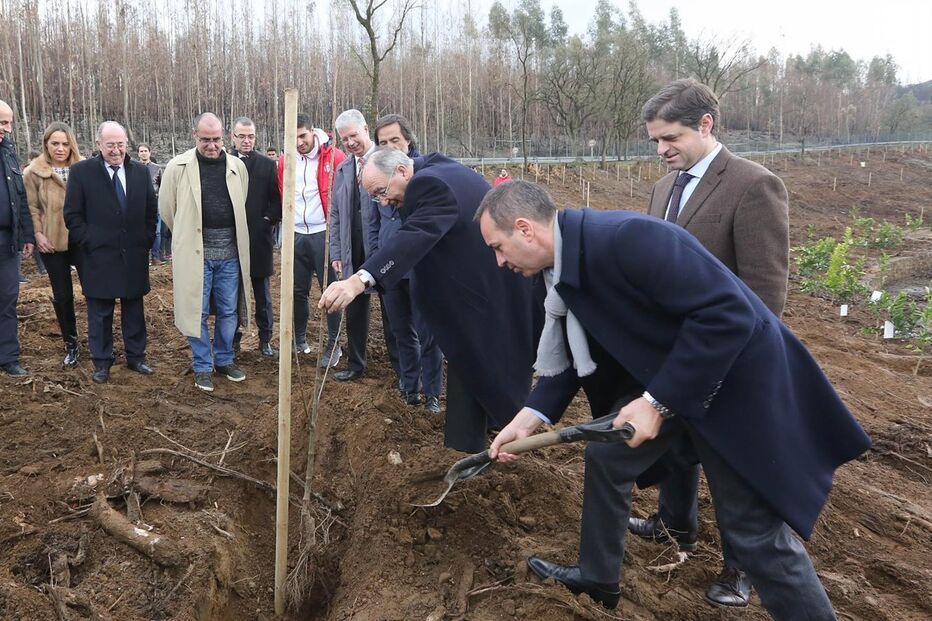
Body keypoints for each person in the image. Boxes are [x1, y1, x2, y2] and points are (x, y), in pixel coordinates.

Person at [477, 180, 871, 618]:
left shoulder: (629, 239)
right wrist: (528, 418)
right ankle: (598, 577)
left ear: (525, 229)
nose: (499, 262)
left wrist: (656, 402)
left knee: (754, 535)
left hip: (733, 387)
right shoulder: (562, 271)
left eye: (498, 247)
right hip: (678, 378)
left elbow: (728, 315)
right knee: (607, 456)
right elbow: (574, 354)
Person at [625, 78, 791, 608]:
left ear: (705, 124)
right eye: (654, 140)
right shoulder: (662, 189)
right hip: (672, 351)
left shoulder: (753, 184)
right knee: (678, 445)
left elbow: (765, 290)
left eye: (670, 138)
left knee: (733, 463)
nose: (661, 149)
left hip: (729, 355)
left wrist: (736, 363)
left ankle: (742, 567)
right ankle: (674, 524)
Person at [319, 148, 538, 453]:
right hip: (486, 289)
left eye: (382, 192)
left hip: (486, 292)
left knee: (477, 361)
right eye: (375, 197)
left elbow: (414, 235)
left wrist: (359, 280)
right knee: (478, 365)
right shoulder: (434, 167)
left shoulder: (428, 184)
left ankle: (474, 444)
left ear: (401, 171)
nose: (384, 202)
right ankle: (484, 431)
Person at [159, 113, 251, 392]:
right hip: (195, 254)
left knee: (228, 310)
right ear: (194, 135)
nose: (212, 146)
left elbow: (241, 201)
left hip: (230, 254)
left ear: (224, 137)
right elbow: (168, 210)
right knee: (195, 311)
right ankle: (202, 364)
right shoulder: (177, 167)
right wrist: (188, 237)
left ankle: (224, 359)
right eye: (205, 140)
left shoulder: (237, 167)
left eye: (216, 139)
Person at [63, 121, 157, 384]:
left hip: (133, 255)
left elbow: (151, 211)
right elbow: (72, 215)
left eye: (121, 144)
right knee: (100, 312)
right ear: (99, 144)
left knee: (134, 309)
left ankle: (136, 357)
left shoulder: (140, 172)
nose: (116, 150)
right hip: (98, 256)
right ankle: (102, 362)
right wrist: (89, 241)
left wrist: (146, 240)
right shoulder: (81, 172)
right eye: (110, 145)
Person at [372, 114, 442, 411]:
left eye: (395, 140)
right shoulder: (377, 175)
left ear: (408, 141)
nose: (389, 146)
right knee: (401, 331)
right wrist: (375, 260)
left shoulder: (422, 176)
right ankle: (410, 386)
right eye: (383, 142)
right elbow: (374, 223)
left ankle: (432, 393)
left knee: (428, 333)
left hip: (420, 266)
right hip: (390, 268)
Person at [277, 115, 345, 366]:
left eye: (303, 136)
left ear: (312, 132)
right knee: (297, 290)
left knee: (331, 290)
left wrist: (336, 232)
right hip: (296, 233)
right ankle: (299, 339)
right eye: (293, 138)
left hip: (323, 232)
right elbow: (283, 191)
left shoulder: (334, 157)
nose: (299, 142)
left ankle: (333, 345)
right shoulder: (285, 161)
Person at [24, 122, 84, 368]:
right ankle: (71, 343)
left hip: (81, 240)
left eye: (65, 144)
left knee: (94, 291)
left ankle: (100, 340)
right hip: (52, 242)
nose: (60, 148)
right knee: (62, 295)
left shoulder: (83, 168)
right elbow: (31, 207)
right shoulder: (34, 172)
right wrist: (38, 234)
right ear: (46, 144)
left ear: (72, 145)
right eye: (55, 143)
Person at [328, 109, 378, 382]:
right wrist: (337, 251)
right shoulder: (344, 168)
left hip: (381, 247)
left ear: (366, 129)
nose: (350, 142)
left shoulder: (385, 160)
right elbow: (336, 213)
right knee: (355, 307)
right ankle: (356, 363)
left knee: (394, 310)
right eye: (345, 139)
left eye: (354, 135)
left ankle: (404, 372)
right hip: (352, 246)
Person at [230, 116, 281, 358]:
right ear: (233, 137)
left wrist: (266, 220)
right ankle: (232, 338)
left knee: (263, 294)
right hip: (230, 240)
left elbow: (276, 200)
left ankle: (265, 339)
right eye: (242, 136)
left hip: (259, 239)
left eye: (250, 136)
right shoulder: (224, 162)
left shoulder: (267, 165)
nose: (247, 141)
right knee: (231, 294)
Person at [0, 99, 35, 376]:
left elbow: (21, 198)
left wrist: (27, 235)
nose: (7, 128)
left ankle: (8, 356)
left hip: (7, 241)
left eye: (9, 122)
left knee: (8, 299)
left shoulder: (9, 153)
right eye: (2, 122)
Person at [137, 143, 164, 264]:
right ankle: (143, 257)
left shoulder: (157, 168)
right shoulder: (134, 167)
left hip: (155, 202)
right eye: (141, 151)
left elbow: (162, 186)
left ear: (150, 153)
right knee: (140, 230)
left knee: (156, 231)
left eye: (145, 151)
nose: (143, 153)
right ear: (138, 153)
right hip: (139, 203)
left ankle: (155, 256)